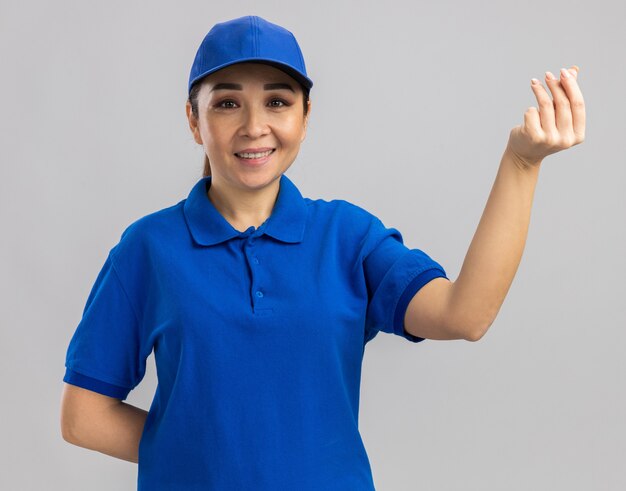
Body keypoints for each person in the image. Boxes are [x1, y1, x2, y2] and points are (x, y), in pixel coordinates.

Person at [59, 14, 586, 491]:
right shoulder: (148, 249)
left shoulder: (348, 238)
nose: (253, 125)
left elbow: (464, 314)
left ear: (305, 117)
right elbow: (82, 415)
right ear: (194, 121)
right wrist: (208, 460)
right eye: (226, 103)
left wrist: (521, 164)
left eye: (278, 101)